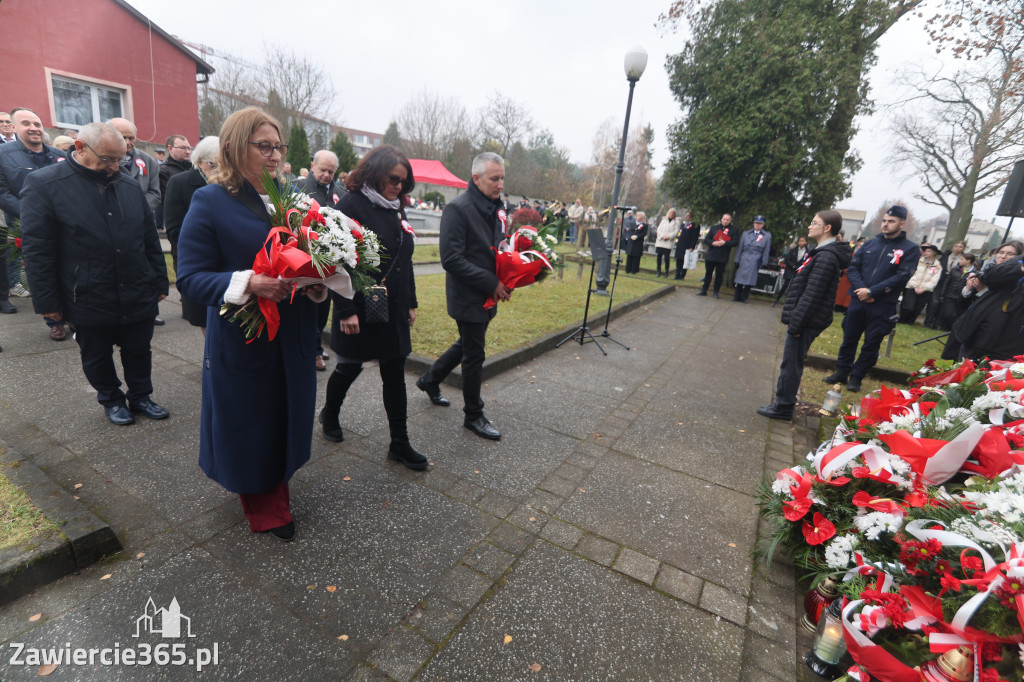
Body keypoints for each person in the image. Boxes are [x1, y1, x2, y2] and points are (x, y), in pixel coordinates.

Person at [176, 107, 327, 542]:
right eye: (264, 146)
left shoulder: (294, 198)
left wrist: (317, 285)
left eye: (278, 146)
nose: (276, 155)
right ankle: (263, 502)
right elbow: (189, 278)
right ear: (233, 148)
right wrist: (250, 282)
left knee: (289, 413)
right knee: (252, 421)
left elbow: (307, 262)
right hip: (246, 338)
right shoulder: (210, 201)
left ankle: (278, 479)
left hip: (292, 333)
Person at [20, 122, 169, 425]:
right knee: (97, 353)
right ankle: (112, 399)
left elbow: (148, 237)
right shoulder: (45, 184)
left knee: (139, 349)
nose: (114, 167)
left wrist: (159, 279)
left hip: (136, 286)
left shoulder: (127, 184)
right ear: (79, 148)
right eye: (107, 159)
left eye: (120, 159)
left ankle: (141, 395)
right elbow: (38, 249)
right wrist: (48, 301)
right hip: (86, 290)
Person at [318, 146, 426, 470]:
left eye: (405, 184)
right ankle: (330, 414)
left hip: (392, 307)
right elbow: (334, 259)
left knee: (394, 374)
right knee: (349, 367)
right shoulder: (352, 204)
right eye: (394, 179)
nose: (399, 187)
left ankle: (399, 443)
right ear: (375, 172)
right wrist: (345, 310)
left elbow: (403, 258)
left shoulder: (397, 208)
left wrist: (411, 302)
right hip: (358, 304)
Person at [417, 152, 510, 441]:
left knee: (467, 344)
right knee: (474, 354)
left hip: (487, 293)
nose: (500, 184)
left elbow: (495, 245)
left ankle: (430, 379)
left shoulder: (495, 207)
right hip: (469, 295)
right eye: (495, 178)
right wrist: (492, 282)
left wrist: (511, 268)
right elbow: (452, 259)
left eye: (502, 178)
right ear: (476, 178)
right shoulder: (458, 208)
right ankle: (473, 415)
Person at [758, 210, 852, 420]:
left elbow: (812, 295)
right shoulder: (820, 252)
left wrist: (797, 324)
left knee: (791, 364)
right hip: (804, 318)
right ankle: (783, 403)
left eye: (814, 222)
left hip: (806, 320)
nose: (809, 226)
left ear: (827, 228)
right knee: (790, 362)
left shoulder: (826, 257)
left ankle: (783, 407)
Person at [822, 205, 920, 393]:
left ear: (902, 224)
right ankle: (841, 372)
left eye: (890, 221)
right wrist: (862, 290)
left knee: (871, 343)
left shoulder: (910, 249)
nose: (885, 224)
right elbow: (853, 268)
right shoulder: (870, 244)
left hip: (882, 304)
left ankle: (857, 377)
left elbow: (902, 276)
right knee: (849, 338)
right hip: (859, 300)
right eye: (884, 221)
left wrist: (873, 292)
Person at [0, 108, 67, 320]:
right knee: (39, 271)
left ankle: (72, 315)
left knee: (67, 267)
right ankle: (52, 320)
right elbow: (2, 192)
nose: (34, 128)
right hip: (25, 224)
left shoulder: (61, 156)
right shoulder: (3, 155)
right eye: (26, 123)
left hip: (63, 224)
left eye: (37, 124)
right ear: (13, 127)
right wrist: (33, 214)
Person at [163, 136, 219, 329]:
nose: (219, 171)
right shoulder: (180, 183)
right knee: (204, 318)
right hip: (196, 261)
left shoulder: (229, 182)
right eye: (214, 165)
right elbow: (174, 229)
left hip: (225, 263)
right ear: (200, 161)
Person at [297, 150, 345, 370]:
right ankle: (312, 349)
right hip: (305, 259)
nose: (326, 175)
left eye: (331, 172)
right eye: (323, 170)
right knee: (308, 308)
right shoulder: (299, 189)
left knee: (324, 307)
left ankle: (315, 345)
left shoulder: (340, 193)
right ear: (312, 166)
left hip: (330, 261)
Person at [951, 252, 1024, 361]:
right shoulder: (1019, 262)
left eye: (1009, 253)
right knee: (963, 371)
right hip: (981, 332)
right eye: (1003, 252)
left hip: (1010, 345)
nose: (1003, 256)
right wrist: (1019, 269)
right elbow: (989, 276)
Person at [897, 242, 942, 324]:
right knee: (908, 306)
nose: (926, 253)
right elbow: (912, 273)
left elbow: (934, 279)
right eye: (926, 251)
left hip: (925, 290)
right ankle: (902, 320)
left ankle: (910, 322)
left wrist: (924, 288)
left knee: (918, 307)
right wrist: (915, 285)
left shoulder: (937, 266)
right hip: (912, 286)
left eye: (929, 251)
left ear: (934, 253)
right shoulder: (918, 261)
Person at [924, 241, 965, 328]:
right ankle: (928, 322)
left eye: (960, 247)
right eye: (956, 246)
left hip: (951, 285)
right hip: (939, 282)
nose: (958, 248)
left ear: (963, 249)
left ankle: (937, 323)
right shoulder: (945, 256)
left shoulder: (963, 259)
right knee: (934, 302)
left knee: (944, 305)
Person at [732, 215, 771, 302]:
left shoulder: (766, 236)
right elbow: (740, 248)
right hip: (744, 257)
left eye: (760, 223)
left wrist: (764, 262)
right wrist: (737, 259)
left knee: (750, 279)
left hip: (755, 258)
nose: (757, 225)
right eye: (756, 223)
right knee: (739, 278)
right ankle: (736, 296)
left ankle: (745, 297)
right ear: (753, 223)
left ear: (763, 225)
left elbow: (766, 250)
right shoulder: (745, 234)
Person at [697, 213, 737, 298]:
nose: (725, 221)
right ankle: (704, 290)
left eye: (727, 220)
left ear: (730, 221)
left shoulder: (733, 230)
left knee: (719, 275)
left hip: (722, 256)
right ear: (721, 219)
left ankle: (716, 292)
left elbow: (735, 242)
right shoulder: (714, 228)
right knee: (708, 273)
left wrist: (725, 243)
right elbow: (707, 239)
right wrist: (713, 242)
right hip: (711, 254)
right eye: (724, 219)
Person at [673, 211, 700, 280]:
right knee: (679, 260)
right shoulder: (683, 224)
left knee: (685, 261)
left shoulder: (695, 225)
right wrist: (676, 242)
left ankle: (682, 275)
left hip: (687, 245)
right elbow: (679, 234)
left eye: (688, 216)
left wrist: (692, 246)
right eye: (686, 215)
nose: (686, 217)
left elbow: (695, 237)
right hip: (680, 245)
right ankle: (677, 274)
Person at [654, 208, 680, 278]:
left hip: (668, 241)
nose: (671, 214)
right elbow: (659, 229)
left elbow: (675, 232)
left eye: (673, 213)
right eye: (670, 213)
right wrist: (662, 236)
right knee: (659, 256)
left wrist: (668, 237)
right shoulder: (663, 221)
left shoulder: (676, 222)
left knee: (666, 257)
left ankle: (666, 272)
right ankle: (658, 271)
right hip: (661, 241)